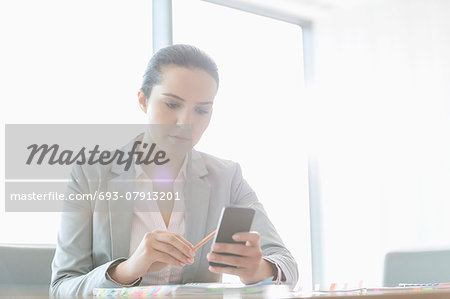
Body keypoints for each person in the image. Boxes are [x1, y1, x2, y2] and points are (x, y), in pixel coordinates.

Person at [50, 44, 298, 296]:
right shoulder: (91, 175)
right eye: (171, 104)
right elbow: (61, 288)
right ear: (143, 101)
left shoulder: (227, 177)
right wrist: (128, 270)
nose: (186, 123)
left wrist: (257, 269)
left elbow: (286, 264)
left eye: (202, 110)